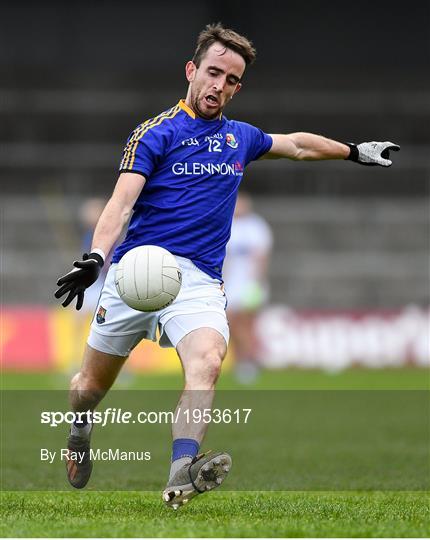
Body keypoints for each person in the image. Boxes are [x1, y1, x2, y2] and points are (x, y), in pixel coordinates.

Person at [54, 23, 400, 509]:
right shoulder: (155, 133)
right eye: (213, 72)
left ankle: (180, 472)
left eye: (232, 79)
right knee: (87, 389)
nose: (220, 84)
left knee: (208, 364)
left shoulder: (241, 138)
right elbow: (121, 202)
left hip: (197, 280)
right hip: (138, 271)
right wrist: (95, 258)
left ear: (238, 87)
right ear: (192, 71)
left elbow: (296, 145)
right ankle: (79, 430)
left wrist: (354, 151)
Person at [223, 192, 273, 383]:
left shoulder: (256, 226)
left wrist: (258, 283)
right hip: (230, 284)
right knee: (231, 323)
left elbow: (262, 257)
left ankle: (249, 361)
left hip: (249, 284)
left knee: (246, 323)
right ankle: (241, 360)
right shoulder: (227, 225)